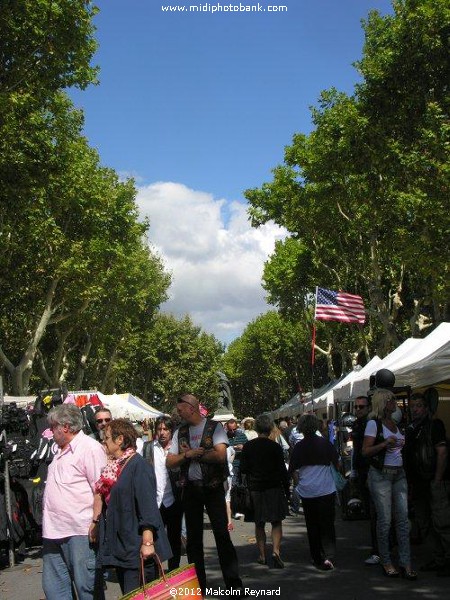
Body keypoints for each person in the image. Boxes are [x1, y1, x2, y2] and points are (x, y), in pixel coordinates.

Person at [166, 393, 245, 597]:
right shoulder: (180, 431)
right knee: (193, 541)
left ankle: (234, 585)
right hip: (191, 489)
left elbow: (220, 455)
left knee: (221, 536)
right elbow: (170, 461)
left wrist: (197, 454)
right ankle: (198, 588)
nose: (178, 411)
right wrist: (187, 455)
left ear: (191, 407)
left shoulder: (214, 427)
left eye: (181, 407)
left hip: (212, 488)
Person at [91, 418, 172, 595]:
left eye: (107, 436)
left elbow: (148, 507)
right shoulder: (117, 466)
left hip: (138, 549)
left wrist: (148, 542)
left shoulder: (138, 465)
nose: (104, 440)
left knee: (141, 595)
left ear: (120, 439)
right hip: (123, 548)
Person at [41, 404, 107, 600]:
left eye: (53, 427)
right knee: (54, 590)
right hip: (53, 532)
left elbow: (100, 490)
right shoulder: (60, 451)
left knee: (87, 587)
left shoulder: (89, 448)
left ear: (66, 427)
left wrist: (95, 523)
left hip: (79, 531)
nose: (51, 432)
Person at [362, 389, 416, 580]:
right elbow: (365, 451)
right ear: (383, 403)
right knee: (385, 520)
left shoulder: (396, 423)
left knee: (402, 520)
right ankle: (386, 561)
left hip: (399, 474)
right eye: (392, 400)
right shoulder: (373, 424)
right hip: (381, 475)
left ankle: (406, 562)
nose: (395, 404)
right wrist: (385, 444)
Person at [404, 392, 450, 576]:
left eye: (419, 406)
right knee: (424, 523)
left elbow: (442, 452)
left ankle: (447, 559)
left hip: (435, 481)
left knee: (442, 523)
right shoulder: (411, 429)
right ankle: (440, 559)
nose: (415, 409)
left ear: (426, 407)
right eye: (412, 406)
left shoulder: (435, 425)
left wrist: (438, 479)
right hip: (419, 484)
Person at [289, 414, 339, 571]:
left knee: (312, 524)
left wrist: (298, 483)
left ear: (301, 428)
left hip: (308, 490)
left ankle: (317, 556)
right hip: (326, 488)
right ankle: (329, 554)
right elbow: (336, 463)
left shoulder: (299, 447)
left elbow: (293, 470)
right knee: (327, 523)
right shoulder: (325, 444)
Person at [240, 414, 290, 568]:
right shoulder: (275, 447)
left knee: (259, 523)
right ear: (270, 429)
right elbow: (282, 470)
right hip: (274, 487)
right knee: (276, 521)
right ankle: (276, 550)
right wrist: (287, 489)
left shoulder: (248, 446)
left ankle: (262, 555)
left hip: (255, 488)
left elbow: (243, 469)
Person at [144, 415, 183, 571]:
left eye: (166, 429)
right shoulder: (148, 448)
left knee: (174, 538)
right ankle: (157, 572)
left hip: (173, 500)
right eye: (159, 429)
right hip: (155, 501)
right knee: (155, 539)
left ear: (171, 431)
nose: (162, 432)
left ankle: (174, 571)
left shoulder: (177, 448)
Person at [351, 395, 380, 565]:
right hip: (362, 471)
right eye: (356, 407)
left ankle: (379, 550)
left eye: (361, 407)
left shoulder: (372, 423)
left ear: (369, 407)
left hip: (372, 471)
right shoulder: (357, 424)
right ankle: (379, 547)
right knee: (372, 512)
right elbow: (356, 449)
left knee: (377, 512)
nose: (358, 410)